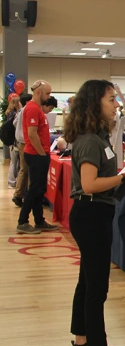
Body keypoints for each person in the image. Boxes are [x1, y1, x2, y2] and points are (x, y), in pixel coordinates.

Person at [65, 79, 125, 346]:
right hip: (91, 215)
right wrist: (124, 178)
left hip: (94, 213)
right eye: (111, 99)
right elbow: (89, 185)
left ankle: (82, 342)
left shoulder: (98, 137)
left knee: (87, 282)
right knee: (97, 286)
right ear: (95, 103)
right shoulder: (90, 141)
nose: (116, 105)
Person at [16, 80, 59, 234]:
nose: (49, 97)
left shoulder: (37, 109)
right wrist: (41, 153)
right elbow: (32, 134)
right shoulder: (33, 109)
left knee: (39, 189)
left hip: (38, 154)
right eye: (47, 93)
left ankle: (39, 220)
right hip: (36, 155)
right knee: (35, 189)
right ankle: (23, 221)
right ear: (39, 92)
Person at [12, 94, 33, 207]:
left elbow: (14, 123)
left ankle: (18, 194)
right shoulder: (29, 110)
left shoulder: (20, 112)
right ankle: (29, 196)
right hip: (27, 143)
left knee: (23, 169)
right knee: (30, 170)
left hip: (20, 142)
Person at [6, 96, 22, 189]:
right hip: (14, 142)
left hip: (11, 141)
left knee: (13, 162)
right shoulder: (15, 114)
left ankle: (12, 181)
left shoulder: (9, 113)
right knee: (14, 162)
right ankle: (12, 182)